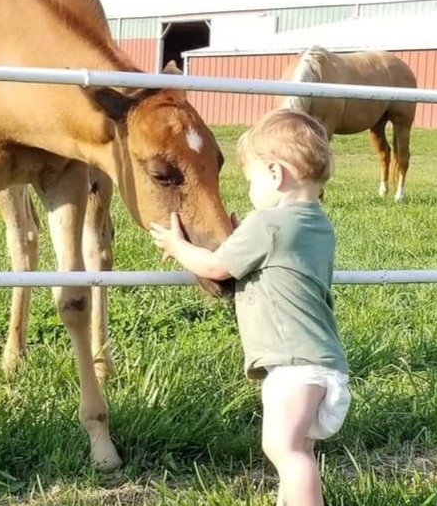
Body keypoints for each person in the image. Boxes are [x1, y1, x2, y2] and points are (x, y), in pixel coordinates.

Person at [149, 108, 350, 506]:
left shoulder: (268, 224)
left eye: (251, 179)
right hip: (322, 361)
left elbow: (215, 266)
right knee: (300, 447)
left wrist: (178, 247)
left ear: (276, 175)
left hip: (294, 364)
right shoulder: (318, 224)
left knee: (284, 449)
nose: (250, 190)